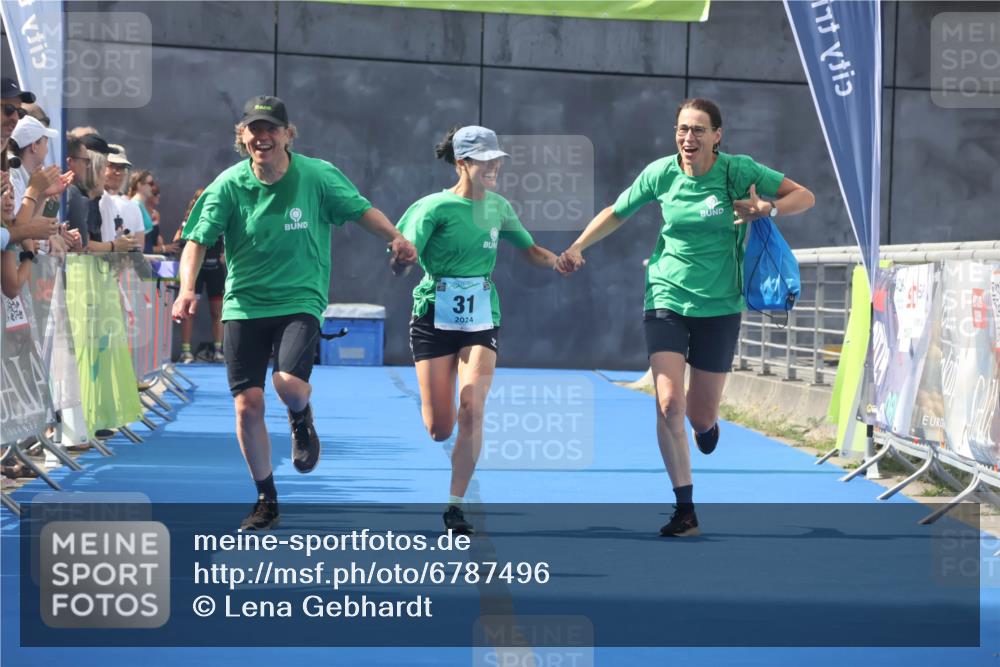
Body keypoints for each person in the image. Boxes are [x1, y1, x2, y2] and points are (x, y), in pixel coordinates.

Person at [557, 98, 815, 537]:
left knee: (697, 414)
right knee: (669, 402)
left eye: (698, 130)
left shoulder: (737, 170)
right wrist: (578, 246)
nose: (688, 138)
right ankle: (685, 509)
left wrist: (767, 208)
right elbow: (617, 211)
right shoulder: (662, 173)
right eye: (682, 129)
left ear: (718, 135)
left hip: (720, 306)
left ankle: (707, 425)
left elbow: (803, 196)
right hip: (666, 296)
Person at [172, 95, 417, 531]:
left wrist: (396, 237)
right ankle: (266, 497)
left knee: (287, 386)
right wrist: (187, 289)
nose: (262, 137)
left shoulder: (317, 176)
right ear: (242, 137)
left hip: (299, 301)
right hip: (243, 305)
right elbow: (196, 240)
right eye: (253, 130)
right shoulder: (228, 185)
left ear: (288, 134)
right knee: (247, 406)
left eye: (271, 129)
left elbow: (362, 211)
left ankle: (301, 416)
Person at [395, 126, 559, 535]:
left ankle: (455, 506)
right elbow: (406, 255)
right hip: (433, 316)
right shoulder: (432, 208)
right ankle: (442, 428)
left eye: (497, 158)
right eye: (484, 159)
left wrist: (559, 261)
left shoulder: (499, 208)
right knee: (440, 428)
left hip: (481, 319)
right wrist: (402, 260)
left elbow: (532, 250)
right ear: (461, 162)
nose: (494, 166)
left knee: (473, 407)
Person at [174, 188, 225, 364]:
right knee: (188, 308)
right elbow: (178, 241)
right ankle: (186, 351)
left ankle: (219, 350)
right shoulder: (190, 220)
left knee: (217, 311)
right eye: (200, 200)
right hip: (196, 271)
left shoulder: (220, 215)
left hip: (215, 269)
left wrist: (225, 254)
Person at [104, 143, 146, 248]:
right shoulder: (91, 200)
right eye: (112, 166)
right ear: (101, 166)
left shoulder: (134, 207)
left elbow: (139, 248)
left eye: (121, 168)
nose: (117, 172)